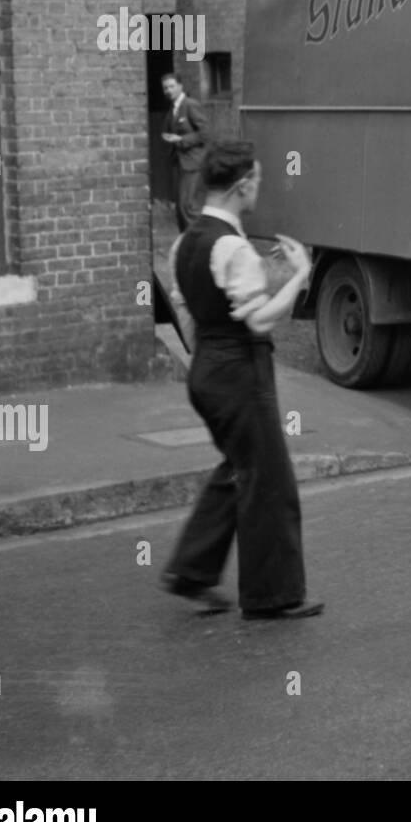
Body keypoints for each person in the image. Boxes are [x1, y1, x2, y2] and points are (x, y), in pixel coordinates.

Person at [161, 139, 323, 620]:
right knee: (269, 481)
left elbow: (184, 309)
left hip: (207, 369)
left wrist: (206, 362)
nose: (258, 189)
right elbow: (258, 320)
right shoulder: (234, 249)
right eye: (256, 180)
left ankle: (190, 571)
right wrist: (300, 276)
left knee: (239, 468)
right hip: (241, 373)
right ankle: (272, 596)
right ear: (241, 185)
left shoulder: (184, 243)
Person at [161, 73, 208, 231]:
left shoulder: (190, 105)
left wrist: (180, 140)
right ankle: (186, 244)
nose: (168, 90)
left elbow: (205, 133)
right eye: (165, 88)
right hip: (179, 165)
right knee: (181, 209)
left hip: (193, 163)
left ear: (180, 86)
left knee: (188, 207)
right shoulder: (172, 110)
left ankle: (197, 244)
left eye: (171, 86)